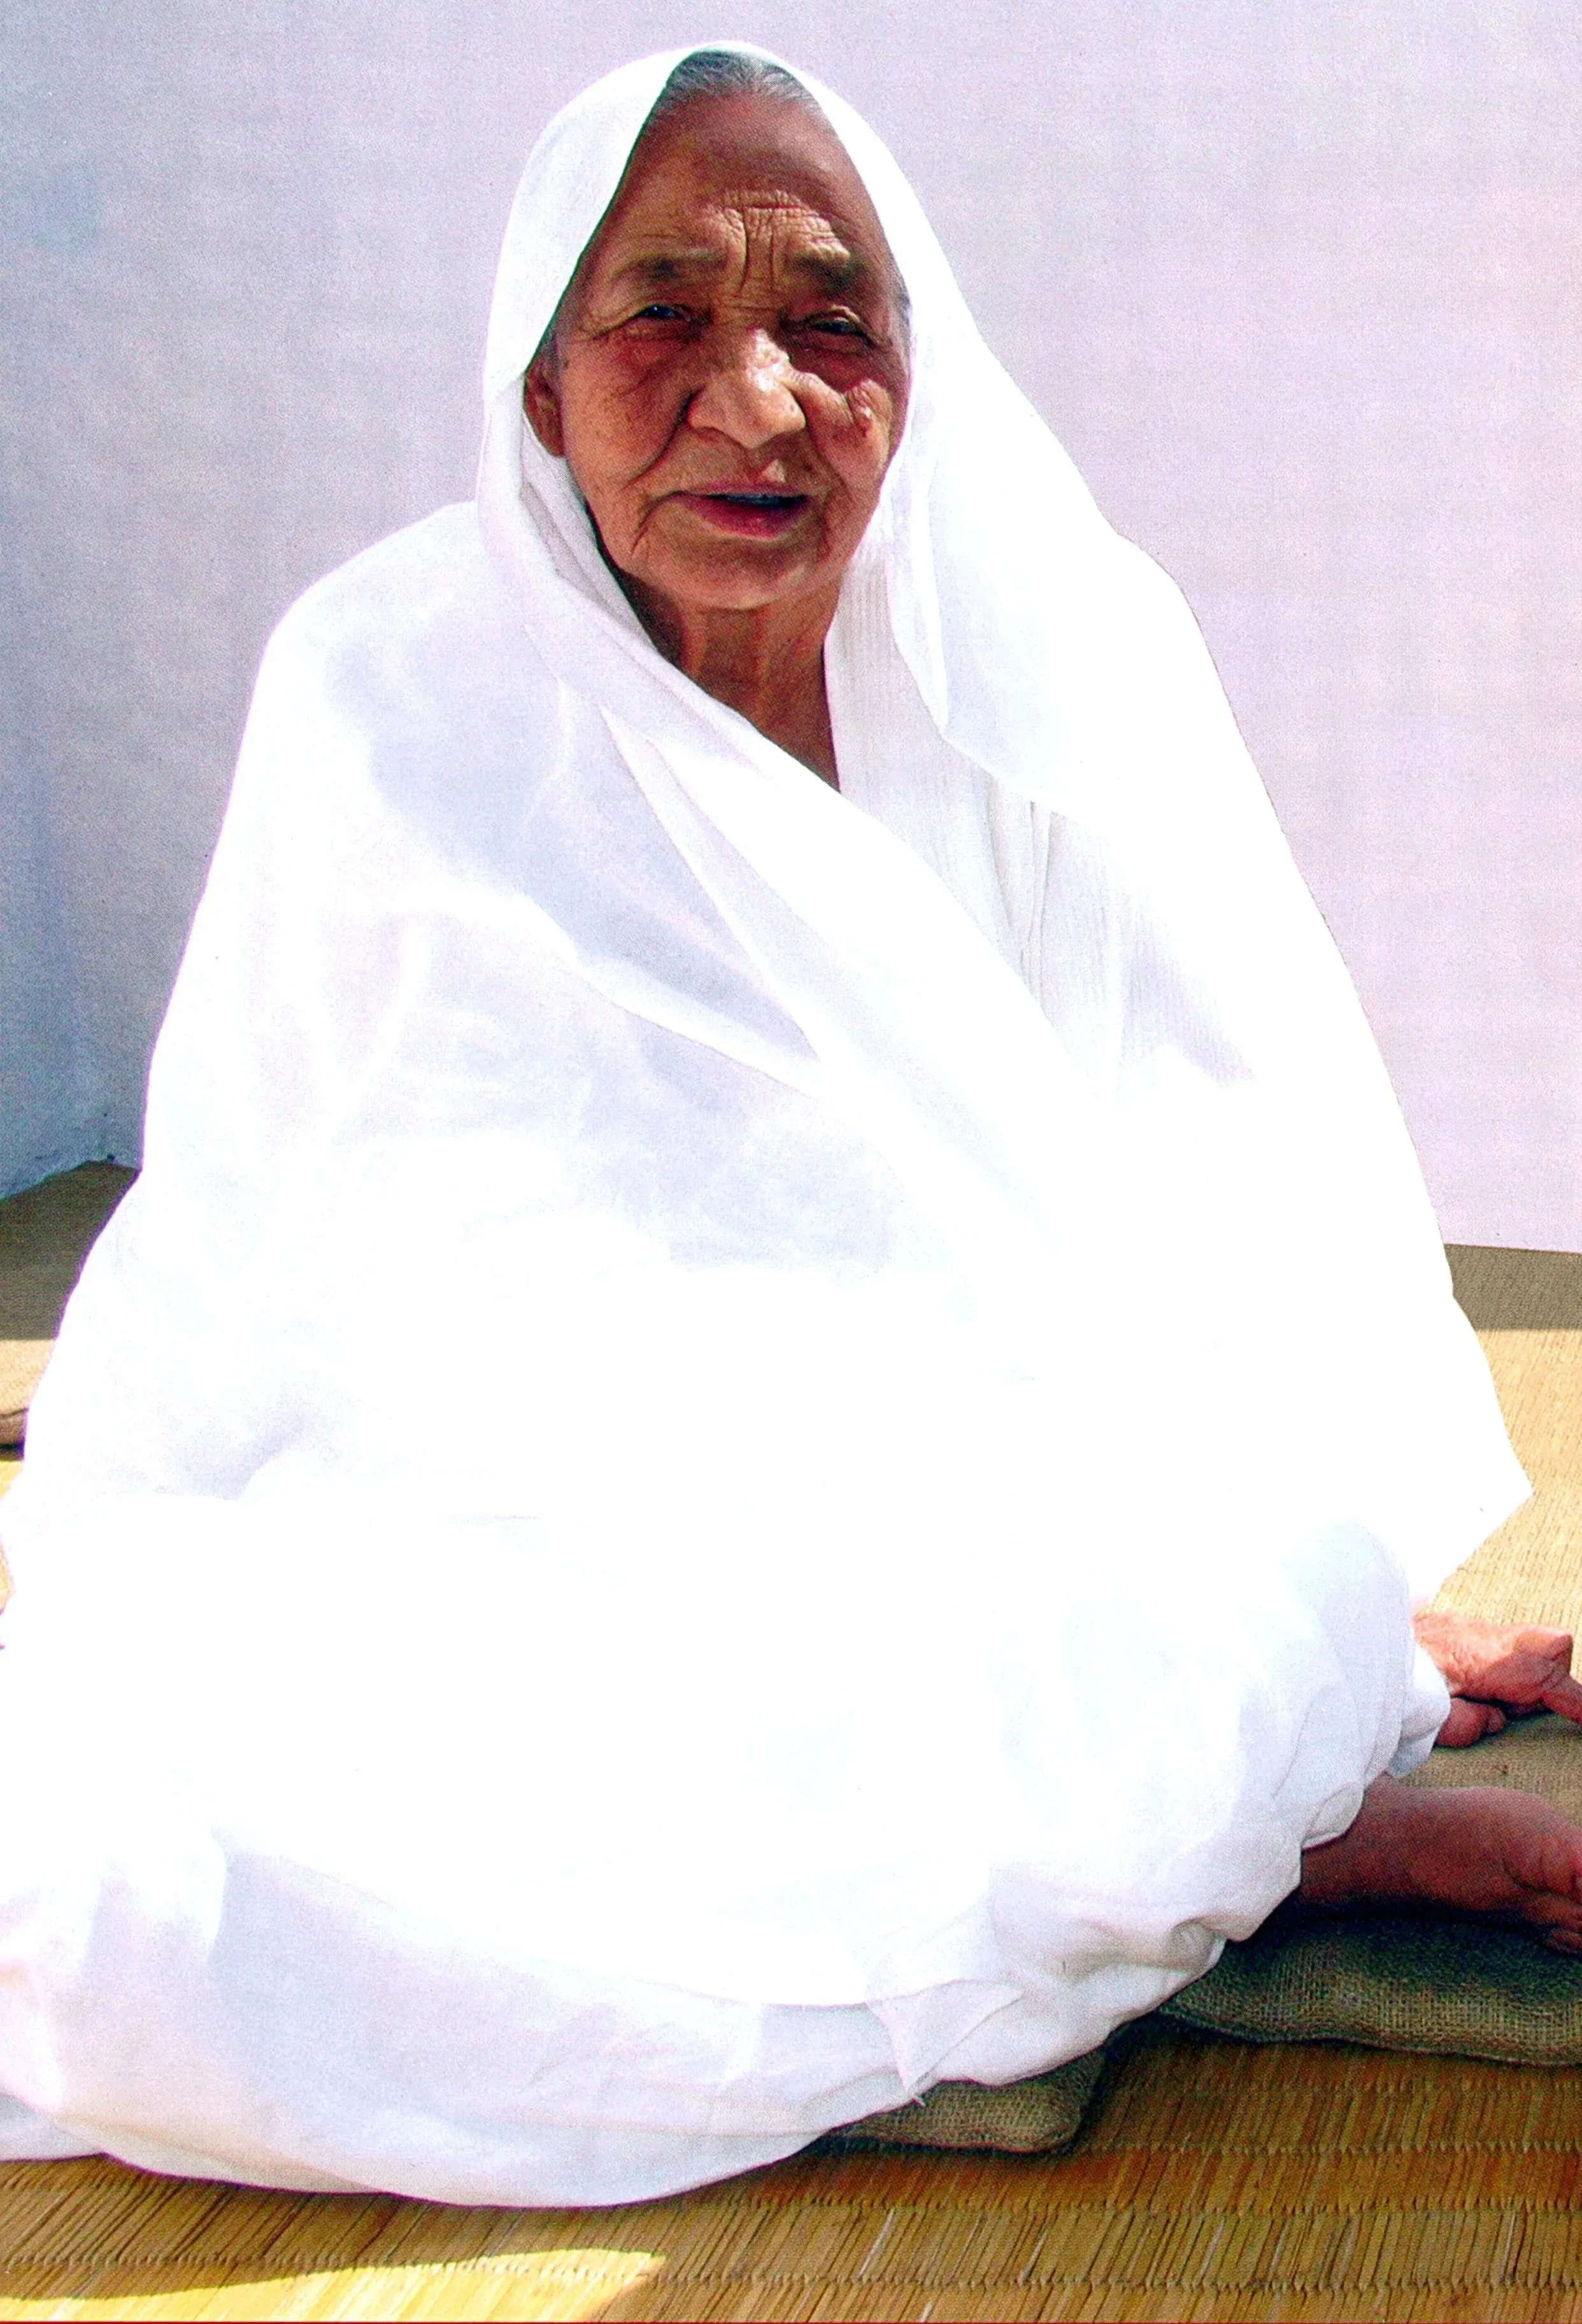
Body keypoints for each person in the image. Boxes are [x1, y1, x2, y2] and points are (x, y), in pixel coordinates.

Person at [2, 45, 1581, 2209]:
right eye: (659, 315)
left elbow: (1225, 1159)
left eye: (829, 320)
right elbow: (298, 1226)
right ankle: (1251, 1833)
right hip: (552, 1502)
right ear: (537, 385)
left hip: (992, 1484)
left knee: (1115, 1612)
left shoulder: (1054, 656)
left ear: (912, 373)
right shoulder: (389, 691)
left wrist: (1272, 1592)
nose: (755, 403)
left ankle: (1273, 1795)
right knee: (124, 1872)